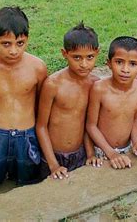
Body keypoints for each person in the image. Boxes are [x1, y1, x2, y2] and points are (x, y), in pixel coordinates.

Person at [0, 6, 48, 191]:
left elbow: (41, 106)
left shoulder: (38, 68)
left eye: (20, 43)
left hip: (27, 137)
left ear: (27, 40)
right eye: (6, 44)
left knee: (29, 186)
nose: (14, 50)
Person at [36, 22, 102, 180]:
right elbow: (41, 126)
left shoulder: (95, 83)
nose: (84, 64)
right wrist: (53, 164)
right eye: (77, 57)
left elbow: (88, 123)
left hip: (80, 153)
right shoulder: (53, 84)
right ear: (64, 54)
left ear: (97, 53)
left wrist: (91, 153)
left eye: (90, 57)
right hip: (52, 155)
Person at [86, 36, 137, 169]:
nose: (125, 69)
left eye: (132, 64)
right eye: (119, 62)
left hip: (128, 149)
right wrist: (111, 153)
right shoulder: (99, 89)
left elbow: (135, 119)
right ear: (109, 63)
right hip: (101, 151)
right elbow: (91, 126)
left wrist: (136, 142)